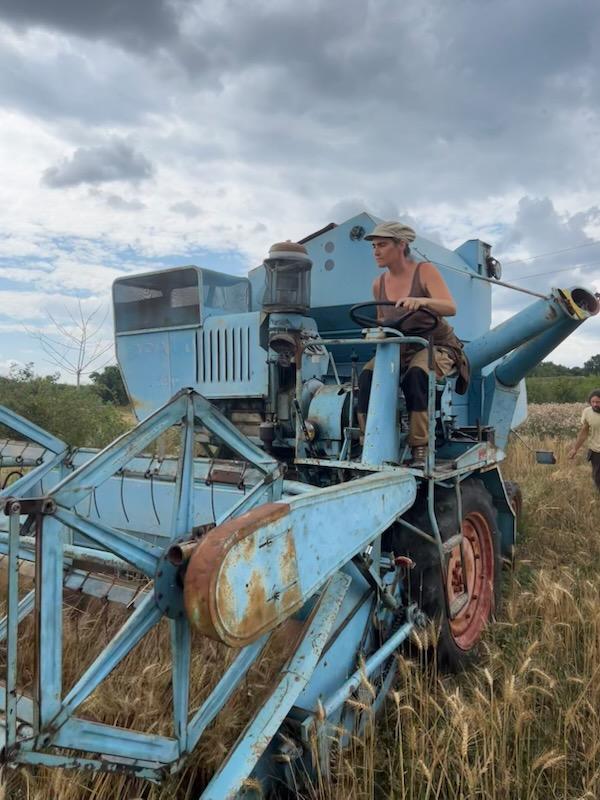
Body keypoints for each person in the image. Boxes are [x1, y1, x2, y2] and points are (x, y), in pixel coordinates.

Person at [357, 221, 469, 467]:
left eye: (383, 245)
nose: (376, 251)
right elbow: (382, 322)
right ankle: (369, 440)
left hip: (435, 344)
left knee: (417, 374)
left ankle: (420, 446)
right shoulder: (379, 284)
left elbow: (451, 307)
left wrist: (422, 301)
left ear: (401, 245)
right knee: (366, 377)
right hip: (400, 346)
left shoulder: (424, 271)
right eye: (374, 246)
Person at [568, 389, 600, 490]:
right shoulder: (587, 412)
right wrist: (574, 449)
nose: (595, 404)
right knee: (597, 478)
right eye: (593, 402)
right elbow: (584, 432)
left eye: (598, 402)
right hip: (596, 451)